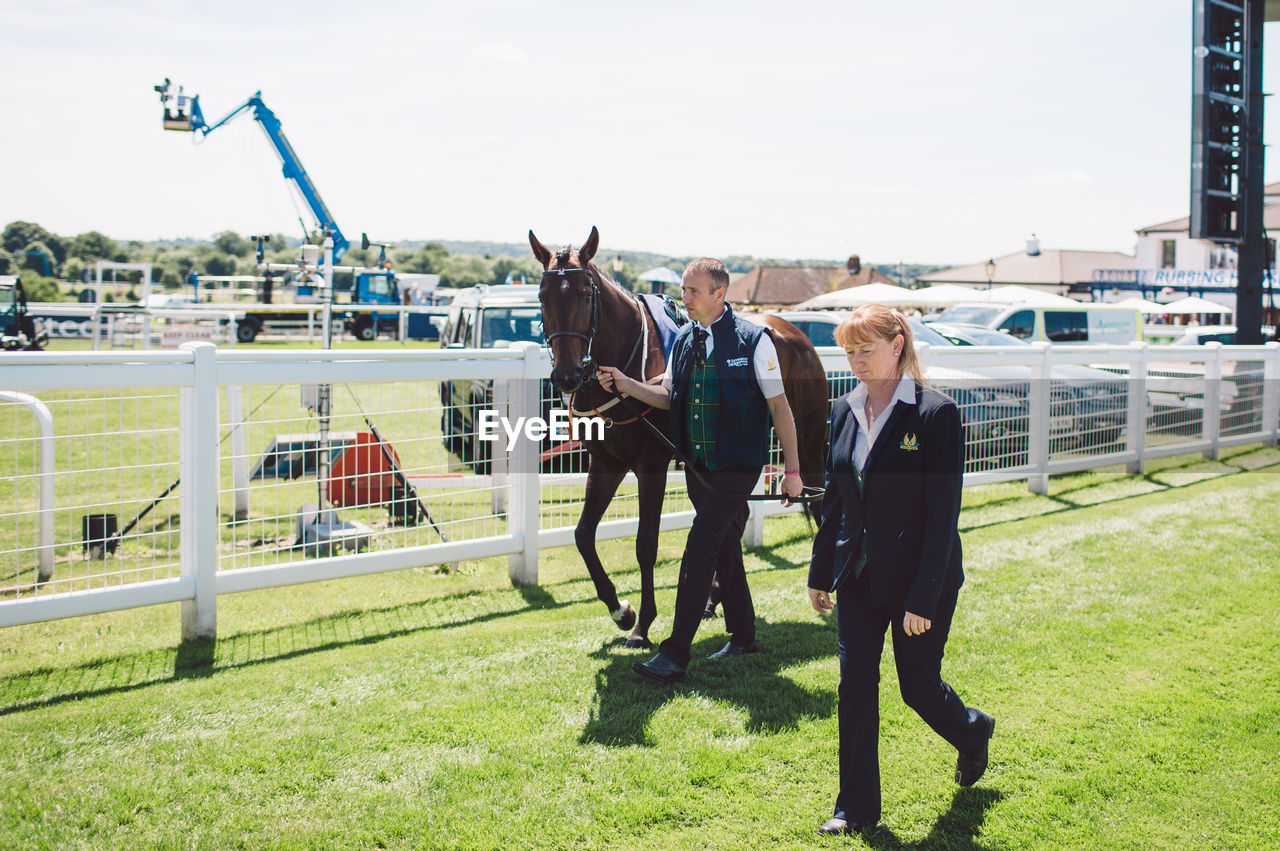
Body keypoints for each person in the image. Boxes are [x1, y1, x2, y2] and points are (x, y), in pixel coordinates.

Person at [808, 304, 994, 836]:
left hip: (919, 580)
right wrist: (822, 572)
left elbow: (943, 517)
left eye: (866, 349)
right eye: (849, 351)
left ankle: (972, 730)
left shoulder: (936, 414)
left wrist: (923, 598)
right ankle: (855, 807)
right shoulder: (843, 410)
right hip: (859, 579)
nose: (856, 360)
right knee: (855, 686)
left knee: (916, 687)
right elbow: (839, 503)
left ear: (898, 345)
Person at [596, 257, 804, 682]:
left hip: (738, 466)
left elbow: (780, 408)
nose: (684, 299)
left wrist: (793, 470)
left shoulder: (754, 341)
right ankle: (744, 634)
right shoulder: (685, 340)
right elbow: (668, 396)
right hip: (698, 466)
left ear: (718, 294)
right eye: (684, 290)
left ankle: (674, 653)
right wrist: (625, 383)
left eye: (693, 291)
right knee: (725, 544)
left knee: (700, 547)